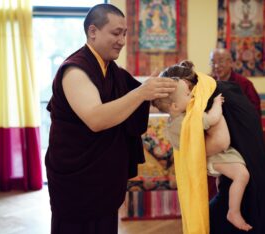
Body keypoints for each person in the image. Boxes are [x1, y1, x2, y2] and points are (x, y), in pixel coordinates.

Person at [45, 4, 177, 234]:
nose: (122, 40)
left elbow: (143, 99)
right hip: (77, 180)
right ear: (93, 31)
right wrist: (142, 92)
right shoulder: (75, 71)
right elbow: (96, 119)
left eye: (125, 33)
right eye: (116, 33)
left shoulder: (112, 70)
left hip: (104, 179)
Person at [156, 61, 265, 233]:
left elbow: (221, 142)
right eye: (186, 94)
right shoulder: (220, 89)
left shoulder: (209, 97)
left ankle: (233, 212)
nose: (190, 96)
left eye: (189, 92)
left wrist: (193, 155)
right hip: (252, 169)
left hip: (244, 183)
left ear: (189, 85)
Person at [209, 48, 262, 116]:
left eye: (221, 61)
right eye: (213, 62)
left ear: (231, 63)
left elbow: (254, 111)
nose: (216, 66)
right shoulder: (209, 83)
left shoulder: (244, 84)